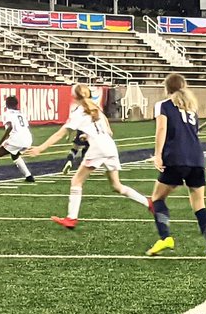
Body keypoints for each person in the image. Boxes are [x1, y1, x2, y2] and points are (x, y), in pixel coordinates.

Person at [26, 83, 150, 229]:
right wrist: (87, 135)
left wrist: (40, 148)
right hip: (110, 146)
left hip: (98, 148)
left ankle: (71, 219)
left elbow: (61, 134)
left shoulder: (79, 112)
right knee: (117, 185)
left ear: (73, 97)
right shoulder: (96, 109)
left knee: (76, 181)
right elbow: (109, 132)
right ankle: (148, 203)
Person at [147, 73, 206, 259]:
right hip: (196, 159)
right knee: (199, 206)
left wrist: (158, 155)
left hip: (175, 157)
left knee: (157, 198)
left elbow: (162, 129)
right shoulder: (191, 109)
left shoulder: (163, 106)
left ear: (167, 88)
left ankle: (165, 237)